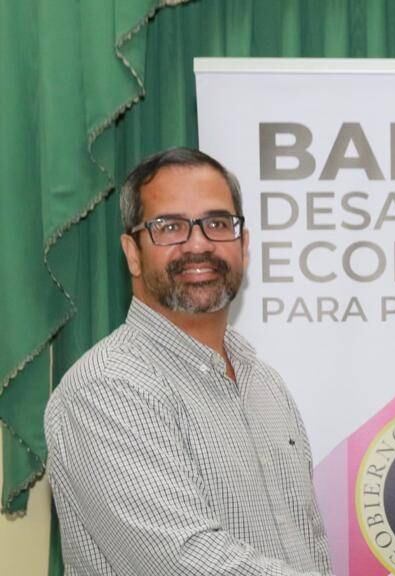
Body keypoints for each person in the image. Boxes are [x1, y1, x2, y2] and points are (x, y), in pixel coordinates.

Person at [45, 148, 334, 575]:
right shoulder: (106, 387)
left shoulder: (264, 383)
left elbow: (310, 548)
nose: (198, 244)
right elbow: (185, 562)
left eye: (217, 223)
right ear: (132, 252)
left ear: (244, 245)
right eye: (170, 227)